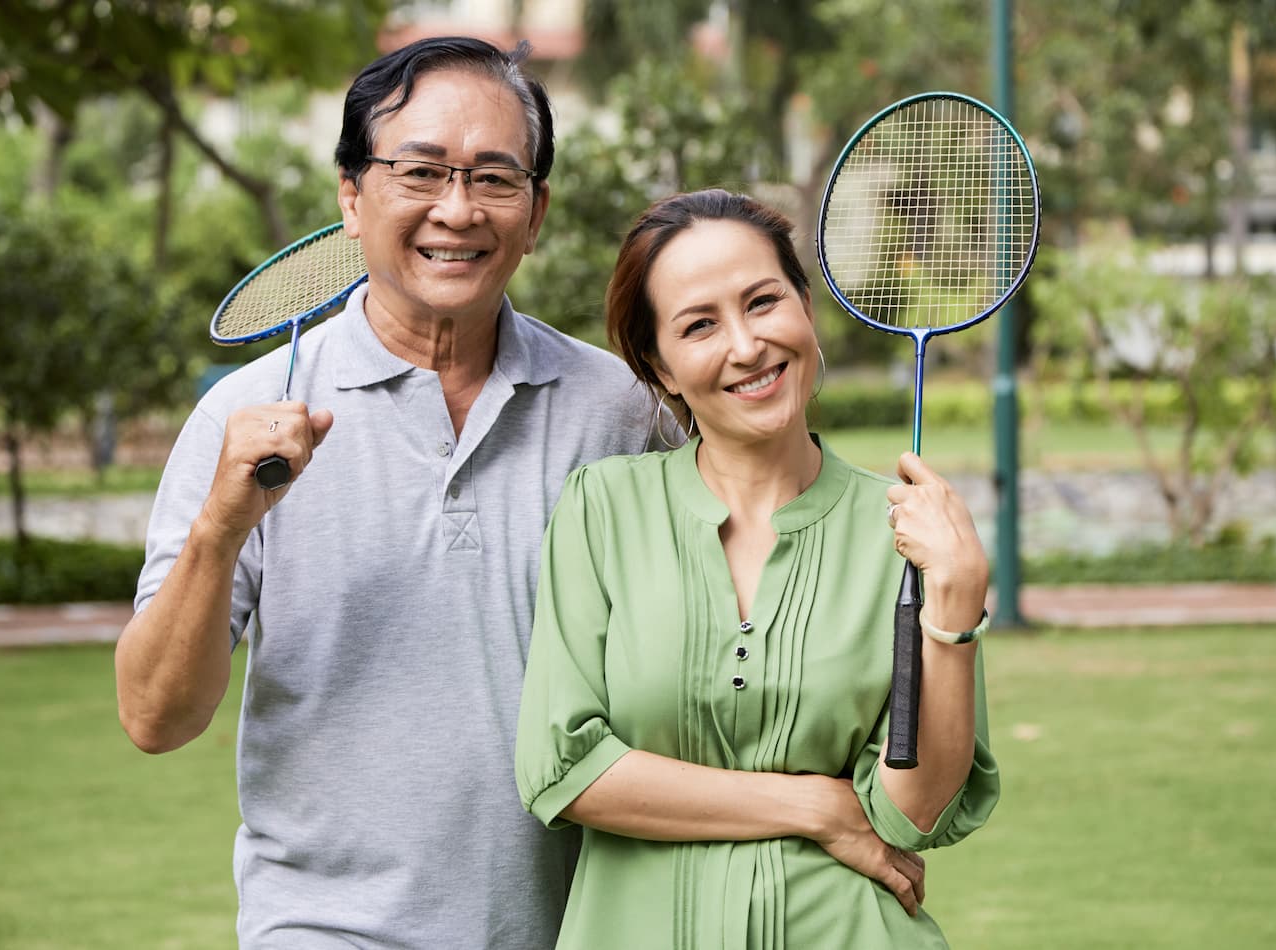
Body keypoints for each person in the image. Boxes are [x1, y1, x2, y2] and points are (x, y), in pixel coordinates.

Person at [115, 37, 665, 948]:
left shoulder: (618, 410)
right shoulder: (243, 417)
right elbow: (154, 718)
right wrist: (223, 524)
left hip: (579, 928)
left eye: (494, 178)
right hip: (327, 929)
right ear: (350, 195)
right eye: (420, 172)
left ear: (535, 213)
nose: (457, 209)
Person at [515, 189, 999, 948]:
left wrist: (956, 607)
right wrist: (815, 807)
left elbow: (910, 813)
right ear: (660, 367)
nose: (745, 346)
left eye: (763, 301)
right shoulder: (602, 508)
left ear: (805, 309)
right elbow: (563, 768)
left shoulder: (902, 534)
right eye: (700, 325)